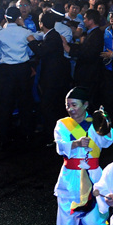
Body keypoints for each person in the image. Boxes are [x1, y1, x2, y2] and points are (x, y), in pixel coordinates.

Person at [54, 87, 113, 225]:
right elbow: (60, 146)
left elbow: (107, 140)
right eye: (67, 105)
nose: (70, 109)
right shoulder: (62, 124)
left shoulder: (95, 124)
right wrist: (76, 143)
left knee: (95, 222)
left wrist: (104, 122)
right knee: (66, 223)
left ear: (86, 104)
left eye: (74, 105)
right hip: (69, 178)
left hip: (93, 177)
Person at [27, 11, 72, 144]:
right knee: (53, 106)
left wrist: (32, 41)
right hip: (55, 78)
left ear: (41, 24)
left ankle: (54, 136)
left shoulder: (52, 36)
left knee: (49, 106)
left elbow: (41, 51)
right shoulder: (52, 35)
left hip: (53, 79)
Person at [0, 6, 34, 147]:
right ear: (18, 18)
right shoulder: (25, 32)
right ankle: (27, 133)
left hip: (6, 70)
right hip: (23, 69)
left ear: (5, 17)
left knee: (5, 104)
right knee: (25, 102)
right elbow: (30, 50)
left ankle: (3, 137)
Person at [63, 9, 105, 108]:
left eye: (85, 18)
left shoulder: (96, 35)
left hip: (89, 74)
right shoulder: (91, 33)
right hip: (87, 72)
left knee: (88, 100)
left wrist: (70, 50)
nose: (84, 21)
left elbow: (89, 54)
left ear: (91, 20)